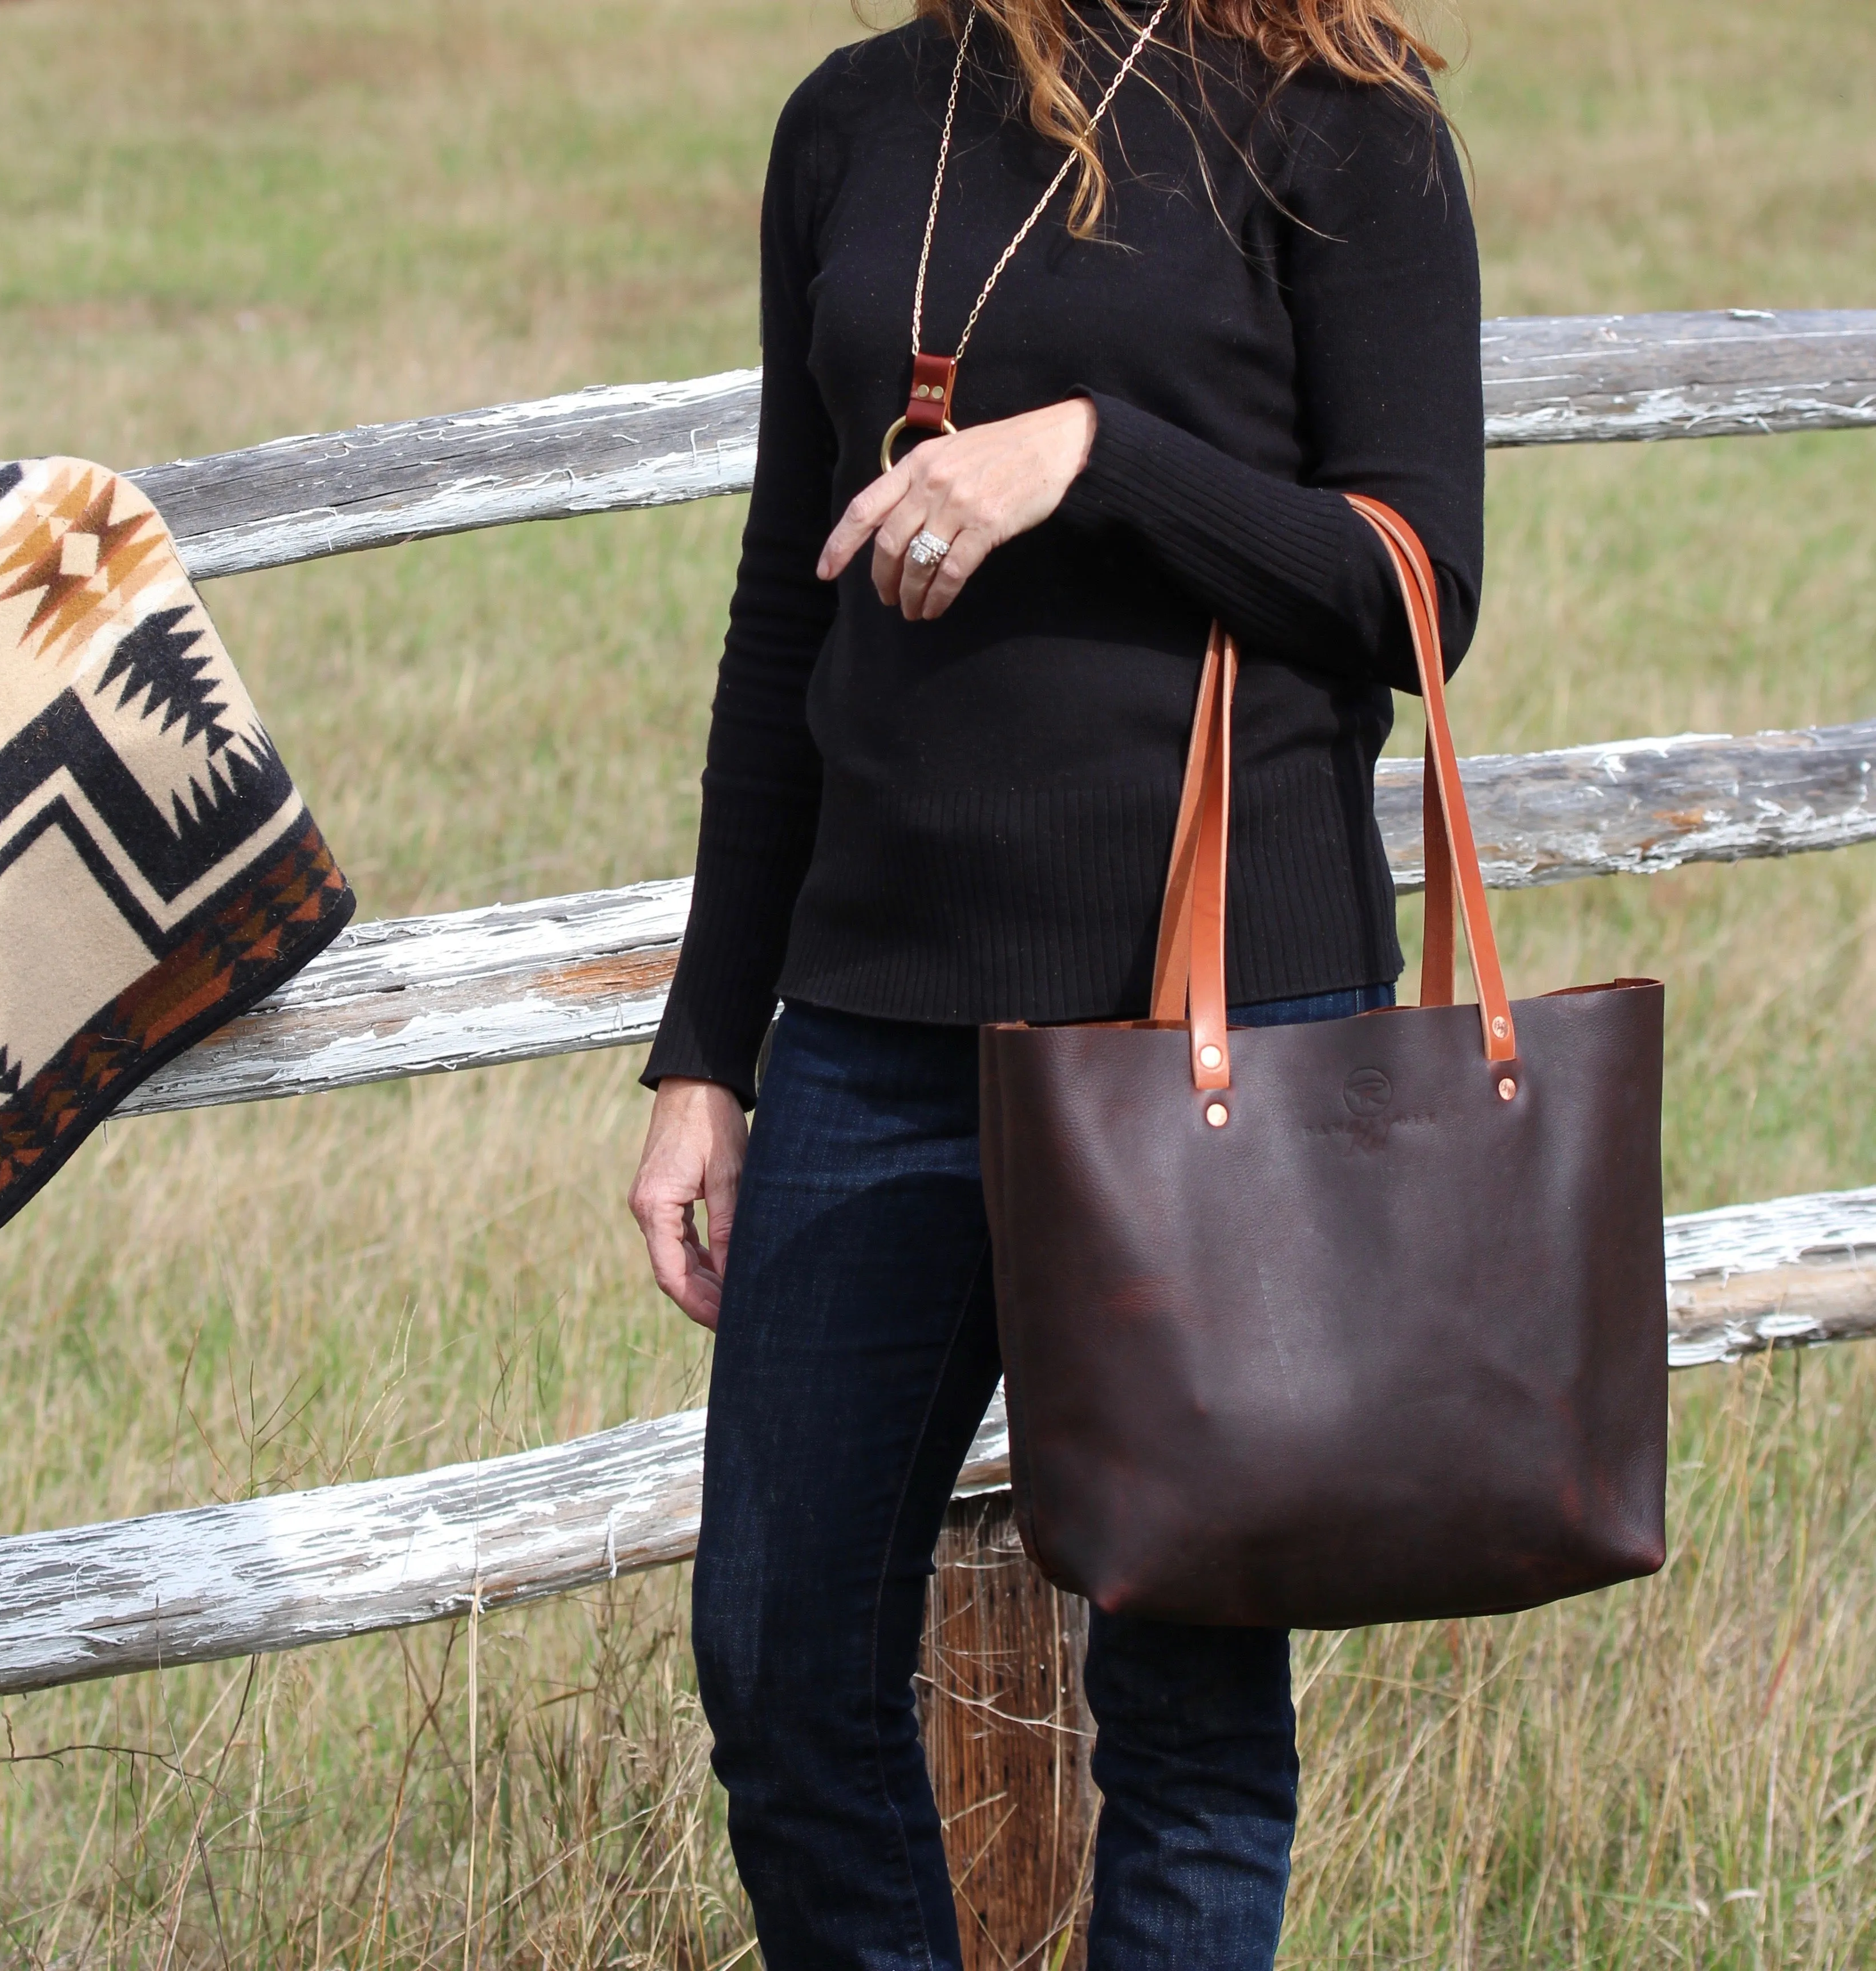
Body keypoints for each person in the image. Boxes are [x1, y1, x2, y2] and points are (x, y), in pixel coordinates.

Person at [628, 0, 1482, 1961]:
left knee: (1184, 1711)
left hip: (1216, 1029)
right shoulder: (852, 118)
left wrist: (1089, 456)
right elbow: (787, 605)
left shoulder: (1345, 123)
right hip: (870, 1029)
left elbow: (1419, 583)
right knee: (777, 1662)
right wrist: (707, 1057)